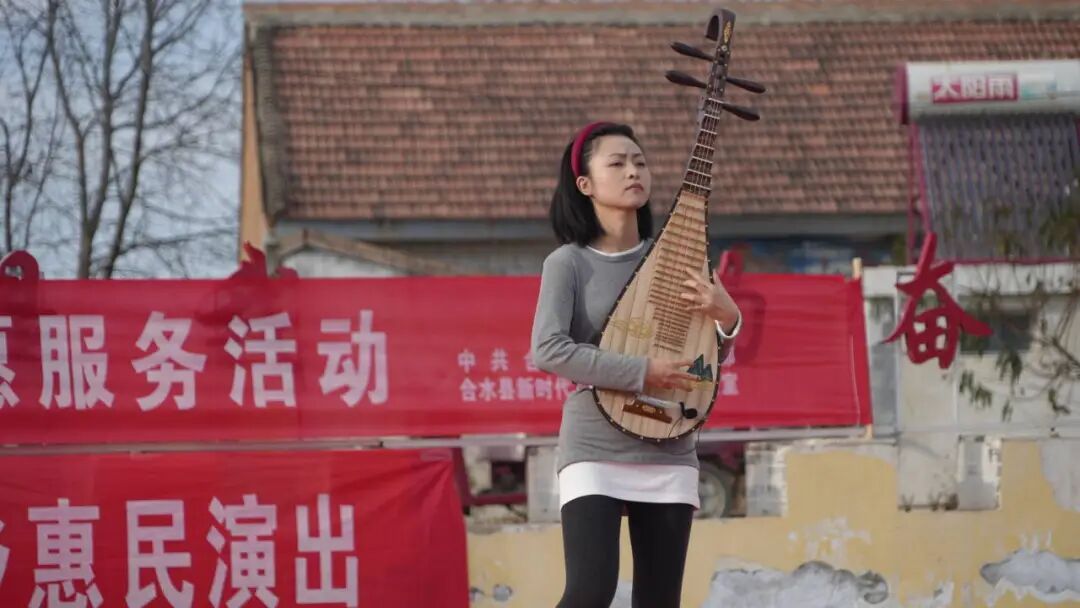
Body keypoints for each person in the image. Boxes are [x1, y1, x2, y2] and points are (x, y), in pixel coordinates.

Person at [531, 121, 741, 608]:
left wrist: (728, 319)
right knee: (589, 592)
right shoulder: (568, 263)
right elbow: (549, 349)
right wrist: (642, 371)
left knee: (659, 600)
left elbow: (701, 365)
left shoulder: (678, 260)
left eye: (640, 162)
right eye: (618, 163)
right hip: (594, 444)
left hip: (670, 442)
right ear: (585, 184)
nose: (633, 172)